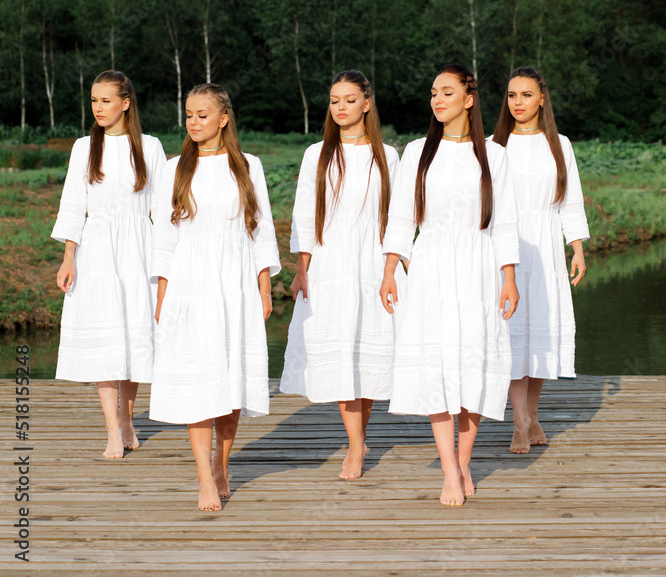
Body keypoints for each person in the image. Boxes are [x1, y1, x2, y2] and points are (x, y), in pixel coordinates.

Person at [380, 64, 519, 506]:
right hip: (431, 267)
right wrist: (389, 270)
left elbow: (504, 223)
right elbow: (401, 217)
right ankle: (448, 470)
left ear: (469, 99)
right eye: (433, 93)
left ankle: (464, 460)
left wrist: (509, 278)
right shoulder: (417, 151)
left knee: (472, 365)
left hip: (478, 267)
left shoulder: (494, 155)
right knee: (437, 366)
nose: (437, 100)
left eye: (447, 92)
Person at [149, 83, 280, 511]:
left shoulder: (248, 165)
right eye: (188, 114)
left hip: (236, 286)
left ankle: (221, 465)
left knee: (231, 383)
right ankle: (204, 477)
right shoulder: (173, 169)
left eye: (201, 115)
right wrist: (162, 296)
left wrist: (264, 289)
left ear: (224, 118)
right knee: (198, 383)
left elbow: (261, 229)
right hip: (191, 286)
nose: (193, 122)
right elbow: (164, 239)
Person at [280, 69, 403, 481]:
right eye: (335, 101)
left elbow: (398, 218)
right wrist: (301, 269)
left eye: (350, 100)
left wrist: (393, 268)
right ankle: (354, 443)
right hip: (330, 263)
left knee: (365, 355)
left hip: (373, 263)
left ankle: (360, 437)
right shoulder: (317, 154)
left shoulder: (388, 156)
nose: (341, 107)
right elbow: (304, 215)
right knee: (339, 354)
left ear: (367, 103)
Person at [54, 70, 166, 458]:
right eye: (93, 100)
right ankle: (112, 429)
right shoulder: (84, 147)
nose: (98, 108)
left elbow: (162, 207)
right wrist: (68, 258)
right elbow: (74, 204)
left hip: (139, 249)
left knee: (134, 336)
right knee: (106, 341)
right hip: (98, 250)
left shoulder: (150, 146)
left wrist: (168, 261)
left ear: (126, 103)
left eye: (106, 100)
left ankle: (128, 418)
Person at [492, 66, 588, 454]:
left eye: (526, 94)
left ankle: (532, 414)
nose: (518, 102)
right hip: (507, 249)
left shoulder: (559, 144)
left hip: (546, 250)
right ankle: (519, 422)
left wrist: (576, 247)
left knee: (539, 336)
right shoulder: (494, 145)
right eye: (512, 95)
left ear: (542, 98)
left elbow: (570, 199)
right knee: (513, 335)